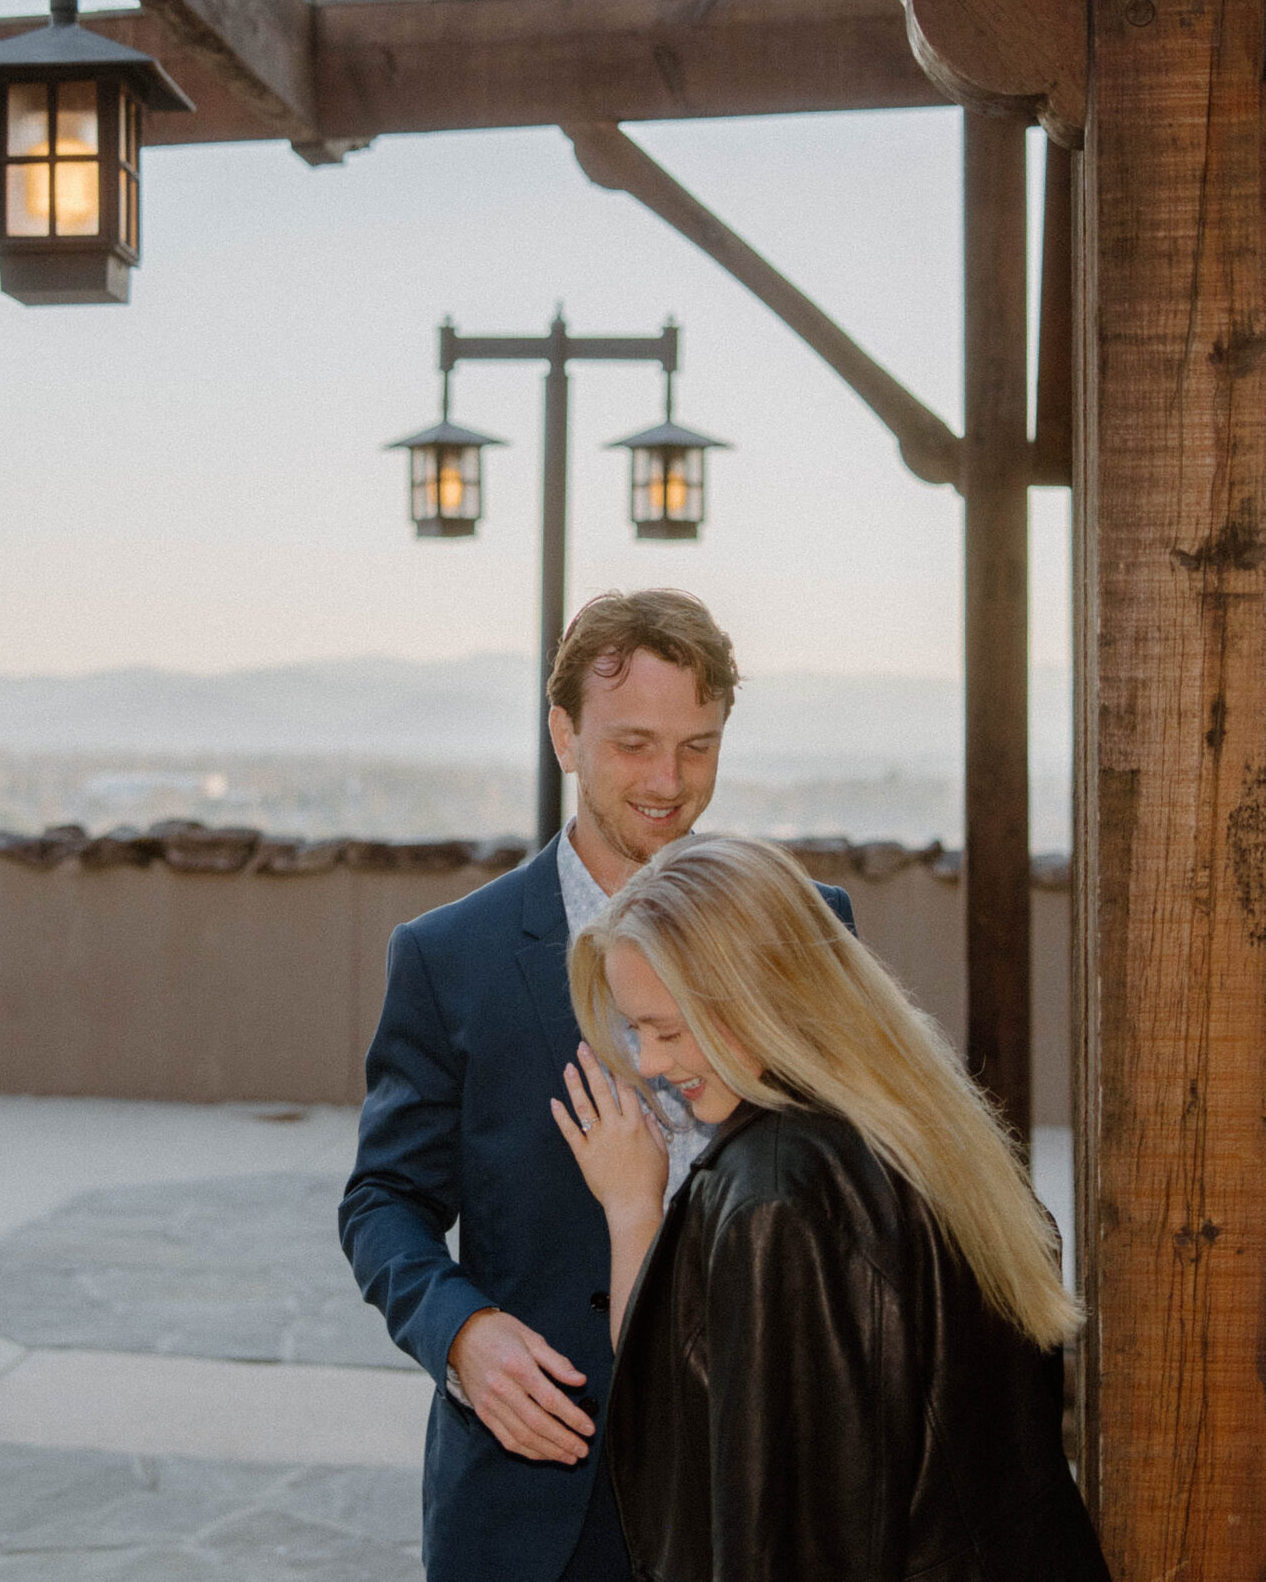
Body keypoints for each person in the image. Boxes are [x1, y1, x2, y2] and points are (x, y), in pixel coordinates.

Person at [339, 590, 856, 1582]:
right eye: (632, 744)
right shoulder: (451, 956)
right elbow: (383, 1200)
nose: (668, 782)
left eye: (697, 746)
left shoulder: (809, 927)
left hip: (763, 1480)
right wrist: (461, 1334)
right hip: (538, 1498)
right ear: (564, 736)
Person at [554, 831, 1111, 1582]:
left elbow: (778, 1536)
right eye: (637, 1032)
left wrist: (630, 1210)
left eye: (668, 1031)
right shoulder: (926, 1126)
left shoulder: (772, 1195)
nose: (650, 1063)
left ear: (757, 997)